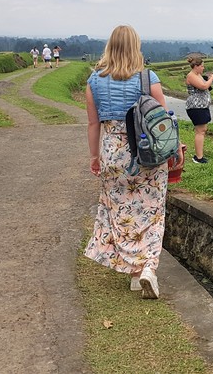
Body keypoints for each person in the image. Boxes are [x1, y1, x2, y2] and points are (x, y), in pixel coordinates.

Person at [84, 24, 182, 299]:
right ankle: (148, 268)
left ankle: (134, 275)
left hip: (113, 153)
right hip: (147, 153)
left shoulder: (94, 81)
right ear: (135, 47)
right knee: (151, 212)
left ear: (110, 47)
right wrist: (177, 149)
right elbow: (164, 119)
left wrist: (95, 157)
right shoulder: (147, 78)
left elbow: (93, 124)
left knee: (121, 213)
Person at [185, 55, 213, 164]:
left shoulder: (198, 75)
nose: (203, 68)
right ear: (196, 66)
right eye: (202, 66)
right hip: (196, 106)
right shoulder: (191, 75)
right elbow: (203, 86)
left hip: (202, 106)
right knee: (200, 131)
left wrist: (209, 80)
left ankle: (199, 155)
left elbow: (205, 86)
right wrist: (212, 78)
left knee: (202, 130)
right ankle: (198, 157)